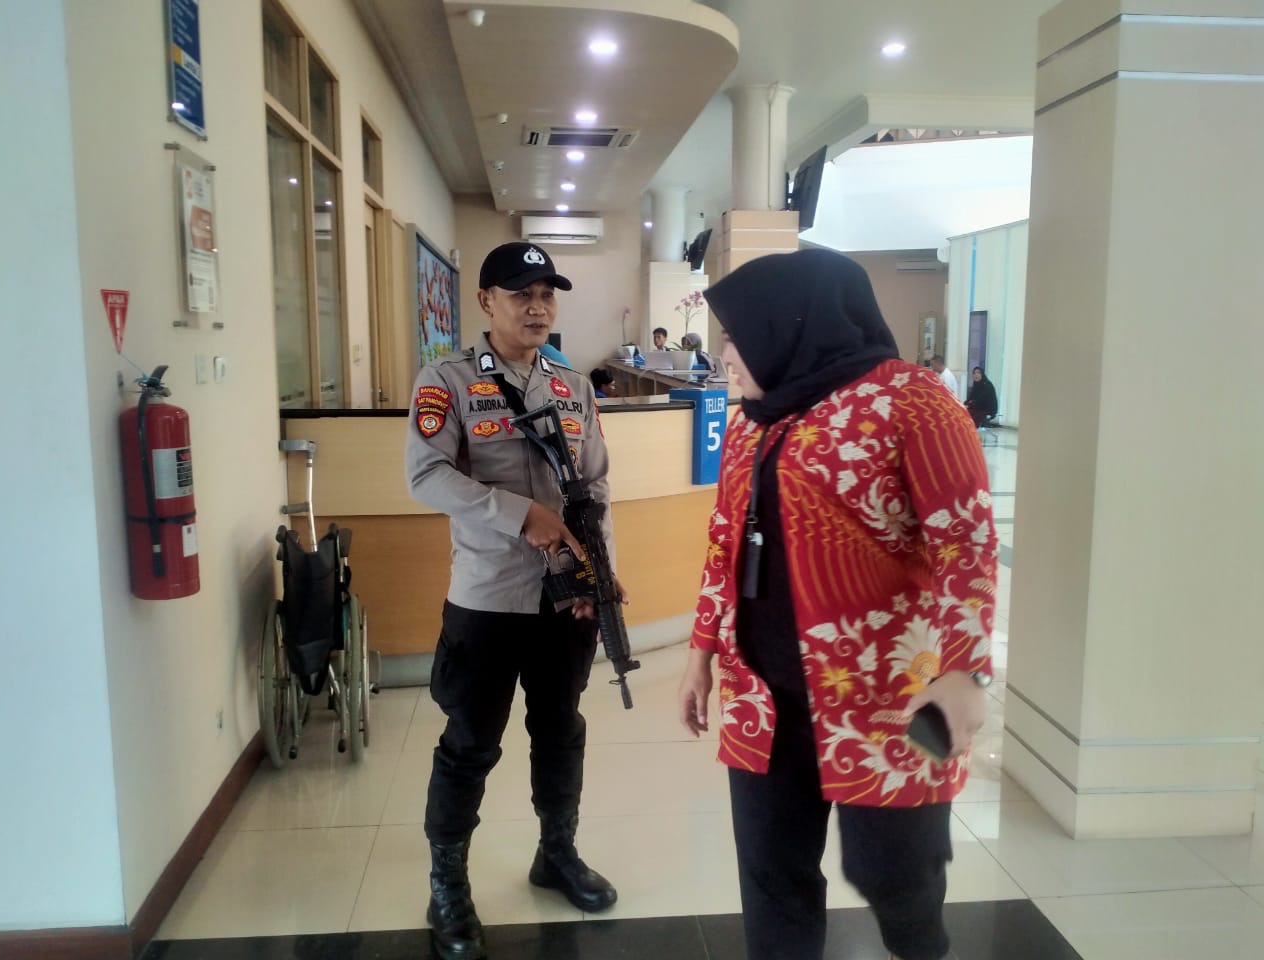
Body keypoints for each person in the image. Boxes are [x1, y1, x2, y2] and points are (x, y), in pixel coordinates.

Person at [677, 249, 997, 960]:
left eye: (736, 336)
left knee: (898, 881)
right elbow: (725, 537)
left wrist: (964, 667)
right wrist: (701, 651)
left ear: (790, 326)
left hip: (890, 700)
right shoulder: (753, 420)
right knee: (772, 878)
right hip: (763, 695)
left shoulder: (913, 403)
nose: (726, 354)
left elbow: (965, 544)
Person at [406, 241, 625, 960]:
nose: (537, 307)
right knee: (470, 742)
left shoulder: (572, 385)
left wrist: (601, 572)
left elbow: (594, 485)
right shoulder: (447, 381)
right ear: (486, 302)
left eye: (547, 294)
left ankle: (556, 853)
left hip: (565, 599)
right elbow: (426, 476)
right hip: (488, 598)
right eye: (521, 293)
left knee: (561, 729)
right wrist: (518, 513)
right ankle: (447, 884)